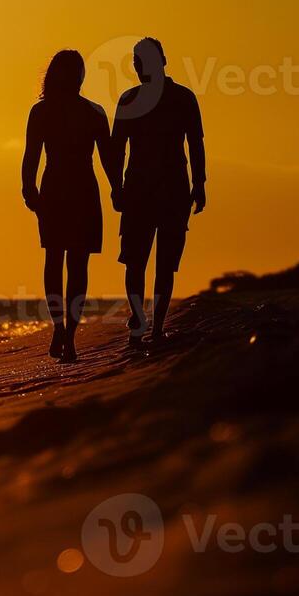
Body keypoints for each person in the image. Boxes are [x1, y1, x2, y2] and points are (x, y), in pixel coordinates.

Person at [109, 38, 206, 346]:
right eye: (137, 63)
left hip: (173, 190)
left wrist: (200, 183)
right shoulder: (129, 99)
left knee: (164, 262)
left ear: (163, 61)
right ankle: (140, 321)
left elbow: (195, 142)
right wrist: (116, 187)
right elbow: (116, 150)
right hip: (139, 191)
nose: (141, 69)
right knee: (135, 261)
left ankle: (156, 327)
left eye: (146, 62)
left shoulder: (183, 99)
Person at [21, 50, 115, 363]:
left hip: (69, 189)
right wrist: (28, 188)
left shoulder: (85, 112)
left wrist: (118, 188)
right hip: (69, 189)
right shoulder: (59, 112)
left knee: (65, 261)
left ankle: (66, 332)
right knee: (66, 261)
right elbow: (31, 154)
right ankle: (64, 331)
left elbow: (108, 159)